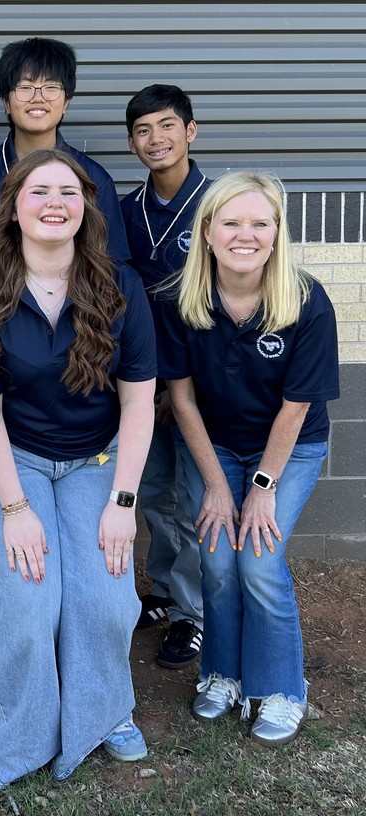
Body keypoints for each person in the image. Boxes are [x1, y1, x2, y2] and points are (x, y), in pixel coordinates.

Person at [0, 149, 156, 787]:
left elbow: (140, 401)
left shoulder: (119, 286)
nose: (54, 203)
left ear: (85, 209)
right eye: (38, 191)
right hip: (8, 455)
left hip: (95, 458)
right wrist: (15, 512)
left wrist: (123, 503)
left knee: (104, 595)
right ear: (14, 208)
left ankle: (103, 711)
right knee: (27, 595)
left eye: (68, 192)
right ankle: (19, 730)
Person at [157, 170, 339, 745]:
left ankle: (282, 688)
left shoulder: (307, 301)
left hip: (289, 448)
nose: (246, 234)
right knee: (215, 559)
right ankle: (221, 675)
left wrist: (260, 488)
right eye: (232, 222)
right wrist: (216, 485)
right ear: (207, 231)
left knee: (258, 560)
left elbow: (296, 407)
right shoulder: (177, 301)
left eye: (260, 223)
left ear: (277, 232)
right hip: (213, 445)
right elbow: (180, 400)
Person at [120, 84, 209, 669]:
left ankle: (194, 612)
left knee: (194, 501)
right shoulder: (125, 211)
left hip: (202, 383)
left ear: (191, 131)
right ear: (132, 141)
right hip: (143, 380)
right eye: (144, 130)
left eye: (168, 126)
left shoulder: (217, 203)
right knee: (151, 490)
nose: (157, 139)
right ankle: (162, 588)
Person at [0, 37, 129, 264]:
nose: (38, 98)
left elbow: (114, 265)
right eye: (25, 87)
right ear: (5, 101)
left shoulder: (94, 177)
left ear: (66, 102)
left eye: (51, 87)